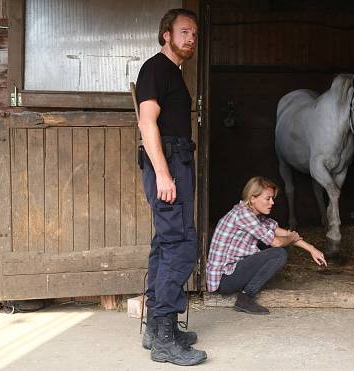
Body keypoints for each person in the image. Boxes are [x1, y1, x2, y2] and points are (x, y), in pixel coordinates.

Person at [135, 8, 206, 366]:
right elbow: (147, 123)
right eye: (184, 31)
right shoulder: (155, 68)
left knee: (165, 244)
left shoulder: (173, 73)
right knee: (181, 244)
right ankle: (165, 339)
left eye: (194, 33)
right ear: (167, 34)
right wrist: (163, 173)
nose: (191, 38)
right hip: (169, 162)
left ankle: (156, 329)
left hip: (177, 160)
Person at [206, 176, 328, 315]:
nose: (272, 202)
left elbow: (282, 232)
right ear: (253, 198)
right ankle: (245, 298)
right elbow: (277, 242)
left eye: (272, 198)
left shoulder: (256, 215)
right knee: (278, 253)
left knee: (271, 244)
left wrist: (311, 249)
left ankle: (247, 290)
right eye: (268, 198)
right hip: (224, 279)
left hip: (232, 272)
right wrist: (290, 238)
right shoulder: (244, 215)